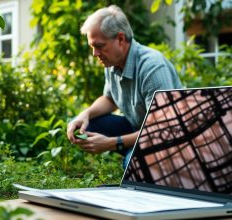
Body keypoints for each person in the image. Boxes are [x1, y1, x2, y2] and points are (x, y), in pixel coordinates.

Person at [66, 5, 183, 168]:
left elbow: (163, 128)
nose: (95, 54)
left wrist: (111, 143)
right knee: (85, 125)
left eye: (99, 46)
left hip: (169, 139)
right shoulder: (112, 62)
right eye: (92, 47)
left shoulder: (152, 67)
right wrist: (85, 114)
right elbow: (109, 99)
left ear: (120, 39)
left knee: (133, 165)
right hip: (138, 129)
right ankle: (131, 153)